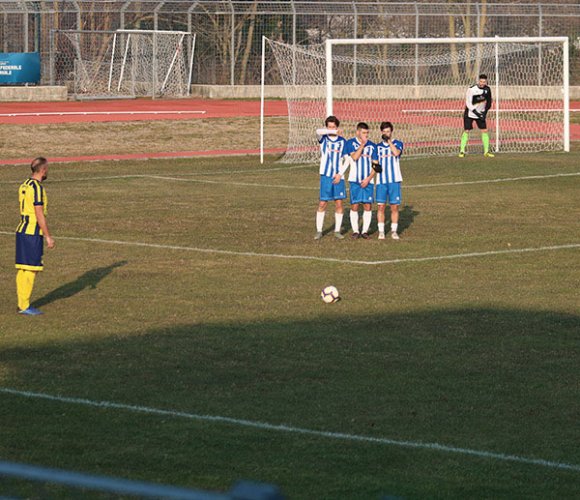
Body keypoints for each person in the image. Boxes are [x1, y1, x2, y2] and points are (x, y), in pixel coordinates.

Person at [15, 157, 55, 315]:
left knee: (23, 268)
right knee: (31, 269)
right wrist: (48, 236)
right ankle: (24, 305)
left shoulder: (24, 184)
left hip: (21, 231)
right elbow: (39, 214)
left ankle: (21, 303)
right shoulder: (37, 188)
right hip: (32, 233)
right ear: (43, 170)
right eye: (47, 169)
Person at [314, 115, 349, 240]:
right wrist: (332, 131)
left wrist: (340, 174)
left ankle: (337, 231)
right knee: (323, 203)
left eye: (334, 127)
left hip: (338, 177)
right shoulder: (323, 138)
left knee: (339, 203)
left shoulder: (342, 141)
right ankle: (319, 231)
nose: (331, 129)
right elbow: (317, 131)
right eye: (329, 127)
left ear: (337, 126)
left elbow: (347, 160)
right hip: (326, 176)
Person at [341, 122, 376, 239]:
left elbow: (376, 165)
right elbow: (354, 157)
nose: (366, 135)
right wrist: (362, 145)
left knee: (367, 205)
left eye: (367, 133)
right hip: (354, 180)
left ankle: (365, 231)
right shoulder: (350, 143)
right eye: (363, 133)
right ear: (358, 132)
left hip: (368, 181)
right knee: (355, 205)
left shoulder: (372, 146)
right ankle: (356, 231)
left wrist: (369, 178)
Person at [374, 122, 404, 240]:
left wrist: (389, 141)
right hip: (381, 181)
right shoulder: (377, 147)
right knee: (381, 207)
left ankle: (394, 231)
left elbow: (396, 153)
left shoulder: (398, 143)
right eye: (384, 132)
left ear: (391, 132)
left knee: (394, 207)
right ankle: (381, 231)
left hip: (394, 180)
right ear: (381, 132)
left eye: (388, 131)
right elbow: (375, 163)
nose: (386, 134)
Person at [459, 74, 494, 158]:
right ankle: (462, 151)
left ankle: (486, 152)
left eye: (484, 82)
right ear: (479, 81)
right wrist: (477, 113)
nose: (482, 83)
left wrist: (484, 113)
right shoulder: (471, 89)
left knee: (485, 131)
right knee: (467, 131)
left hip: (480, 113)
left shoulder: (487, 89)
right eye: (481, 81)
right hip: (470, 113)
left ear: (486, 82)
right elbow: (468, 103)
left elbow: (489, 102)